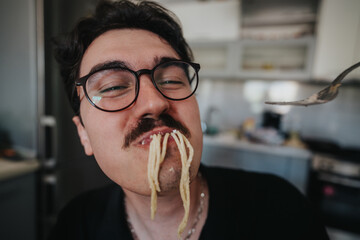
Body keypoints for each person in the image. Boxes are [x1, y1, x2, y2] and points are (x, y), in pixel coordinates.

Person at [50, 1, 329, 239]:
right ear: (83, 134)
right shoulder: (74, 227)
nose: (155, 102)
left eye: (171, 79)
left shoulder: (282, 212)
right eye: (113, 87)